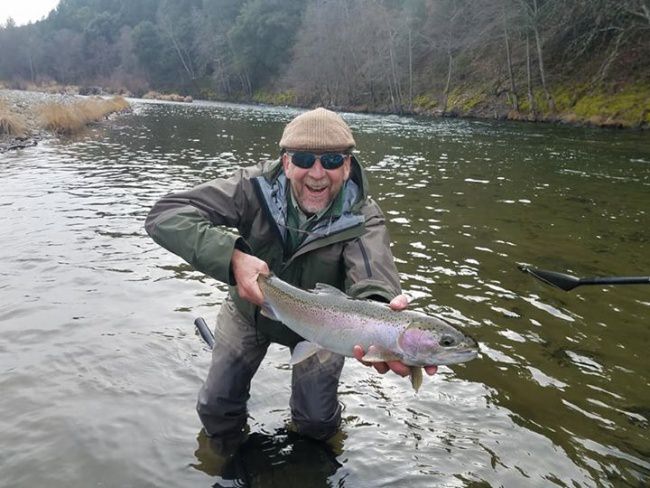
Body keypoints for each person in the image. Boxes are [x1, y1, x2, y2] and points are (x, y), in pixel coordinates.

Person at [145, 107, 437, 444]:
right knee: (216, 406)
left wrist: (384, 320)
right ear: (285, 163)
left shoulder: (363, 218)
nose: (316, 174)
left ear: (346, 166)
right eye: (303, 159)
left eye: (330, 162)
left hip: (327, 330)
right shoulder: (250, 188)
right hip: (249, 313)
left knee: (317, 422)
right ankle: (221, 456)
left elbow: (373, 281)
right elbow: (166, 214)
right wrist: (233, 257)